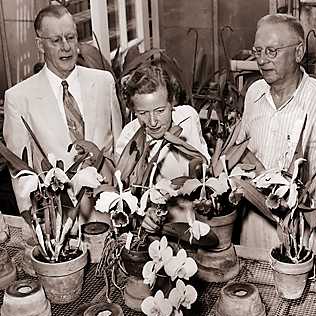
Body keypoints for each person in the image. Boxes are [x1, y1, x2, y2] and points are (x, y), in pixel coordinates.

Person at [236, 13, 316, 257]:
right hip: (256, 221)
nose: (261, 60)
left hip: (309, 227)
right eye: (258, 50)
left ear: (299, 52)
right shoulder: (254, 93)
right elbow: (243, 151)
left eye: (272, 51)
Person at [3, 4, 122, 217]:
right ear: (40, 45)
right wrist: (35, 223)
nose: (66, 47)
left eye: (71, 37)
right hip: (58, 221)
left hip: (110, 210)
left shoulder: (104, 83)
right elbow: (20, 173)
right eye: (56, 40)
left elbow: (120, 147)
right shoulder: (19, 98)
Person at [116, 64, 210, 232]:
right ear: (133, 110)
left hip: (202, 218)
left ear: (172, 101)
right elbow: (127, 195)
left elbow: (204, 160)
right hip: (162, 228)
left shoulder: (189, 116)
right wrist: (141, 215)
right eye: (143, 113)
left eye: (160, 110)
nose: (153, 122)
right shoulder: (128, 139)